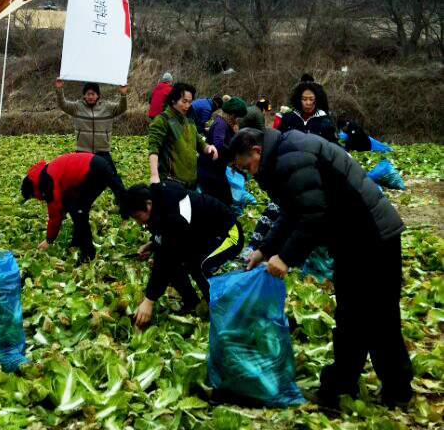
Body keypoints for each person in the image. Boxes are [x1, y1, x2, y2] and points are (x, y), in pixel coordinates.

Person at [230, 128, 413, 411]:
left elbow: (313, 215)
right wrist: (265, 250)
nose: (250, 175)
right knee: (354, 315)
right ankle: (342, 388)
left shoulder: (290, 157)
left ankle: (394, 391)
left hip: (372, 236)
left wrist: (286, 258)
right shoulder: (284, 155)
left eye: (248, 167)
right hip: (355, 237)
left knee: (377, 317)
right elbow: (292, 211)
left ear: (257, 151)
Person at [120, 181, 244, 326]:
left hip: (228, 233)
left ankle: (221, 307)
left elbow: (166, 257)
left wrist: (149, 300)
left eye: (137, 216)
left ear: (148, 205)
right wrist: (153, 244)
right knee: (177, 264)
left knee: (198, 265)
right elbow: (166, 238)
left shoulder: (173, 214)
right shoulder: (159, 204)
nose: (138, 222)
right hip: (200, 235)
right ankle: (193, 304)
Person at [21, 151, 124, 263]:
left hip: (95, 170)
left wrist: (49, 240)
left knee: (78, 211)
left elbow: (54, 214)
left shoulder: (45, 182)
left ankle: (88, 254)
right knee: (76, 208)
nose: (36, 198)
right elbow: (66, 193)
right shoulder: (44, 174)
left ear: (33, 190)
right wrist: (64, 210)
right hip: (96, 166)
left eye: (33, 196)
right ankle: (77, 241)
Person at [148, 82, 218, 188]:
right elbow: (154, 148)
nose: (187, 106)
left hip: (191, 183)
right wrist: (154, 175)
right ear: (173, 100)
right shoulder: (163, 120)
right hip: (172, 183)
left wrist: (208, 147)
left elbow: (199, 142)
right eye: (184, 101)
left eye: (189, 102)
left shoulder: (189, 121)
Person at [55, 79, 128, 177]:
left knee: (112, 177)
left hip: (102, 151)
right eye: (88, 94)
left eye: (93, 94)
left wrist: (123, 95)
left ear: (98, 95)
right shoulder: (77, 107)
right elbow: (63, 104)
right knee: (80, 177)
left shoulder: (107, 107)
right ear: (84, 95)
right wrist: (59, 89)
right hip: (82, 151)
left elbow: (122, 108)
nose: (90, 97)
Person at [197, 97, 248, 205]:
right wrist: (234, 154)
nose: (240, 120)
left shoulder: (228, 124)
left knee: (226, 201)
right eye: (239, 117)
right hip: (209, 172)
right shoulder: (221, 124)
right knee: (217, 203)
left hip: (217, 171)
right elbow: (219, 144)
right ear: (233, 114)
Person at [279, 80, 338, 144]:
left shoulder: (325, 122)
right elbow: (279, 140)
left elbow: (333, 145)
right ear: (299, 100)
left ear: (317, 100)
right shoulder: (288, 118)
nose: (308, 103)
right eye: (304, 99)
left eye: (311, 99)